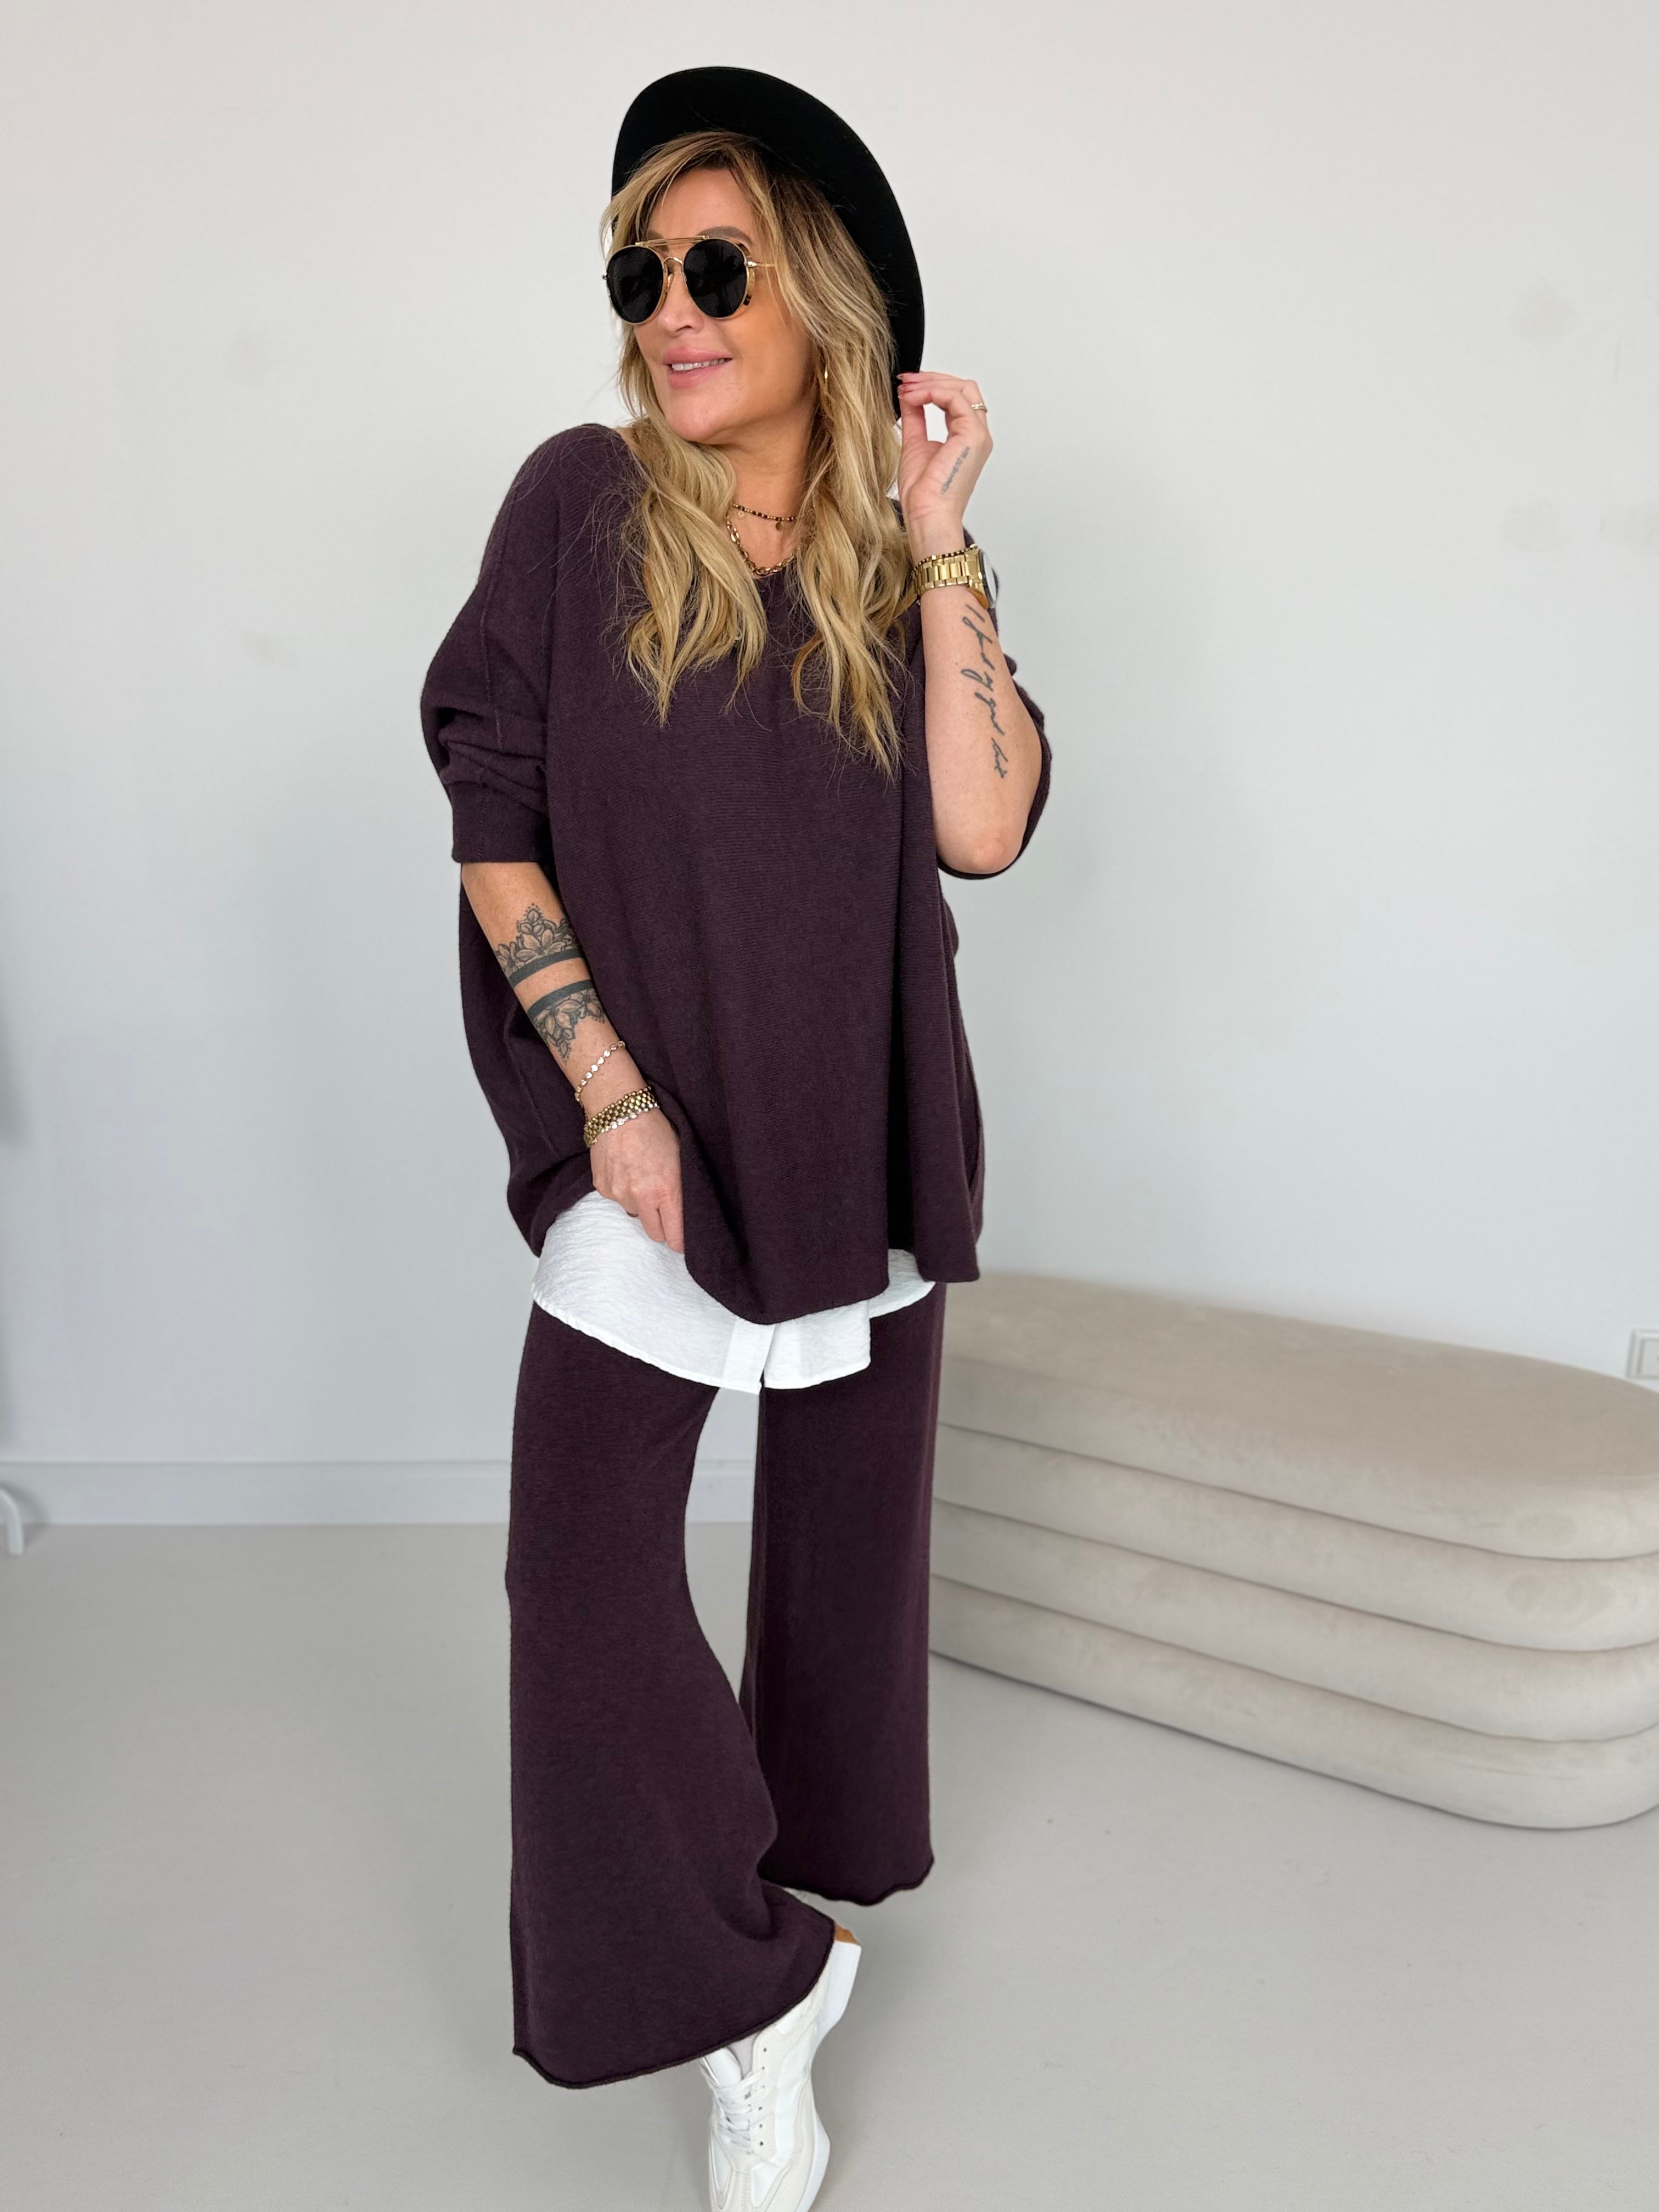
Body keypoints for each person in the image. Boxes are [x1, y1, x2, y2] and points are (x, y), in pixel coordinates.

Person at [419, 65, 1052, 2212]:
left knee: (846, 1573)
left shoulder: (893, 560)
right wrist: (603, 1088)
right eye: (642, 276)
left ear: (823, 295)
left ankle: (813, 1910)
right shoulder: (581, 501)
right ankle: (748, 1984)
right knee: (582, 1571)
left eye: (717, 269)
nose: (672, 313)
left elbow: (984, 829)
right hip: (649, 1127)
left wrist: (944, 538)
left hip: (859, 1119)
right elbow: (492, 813)